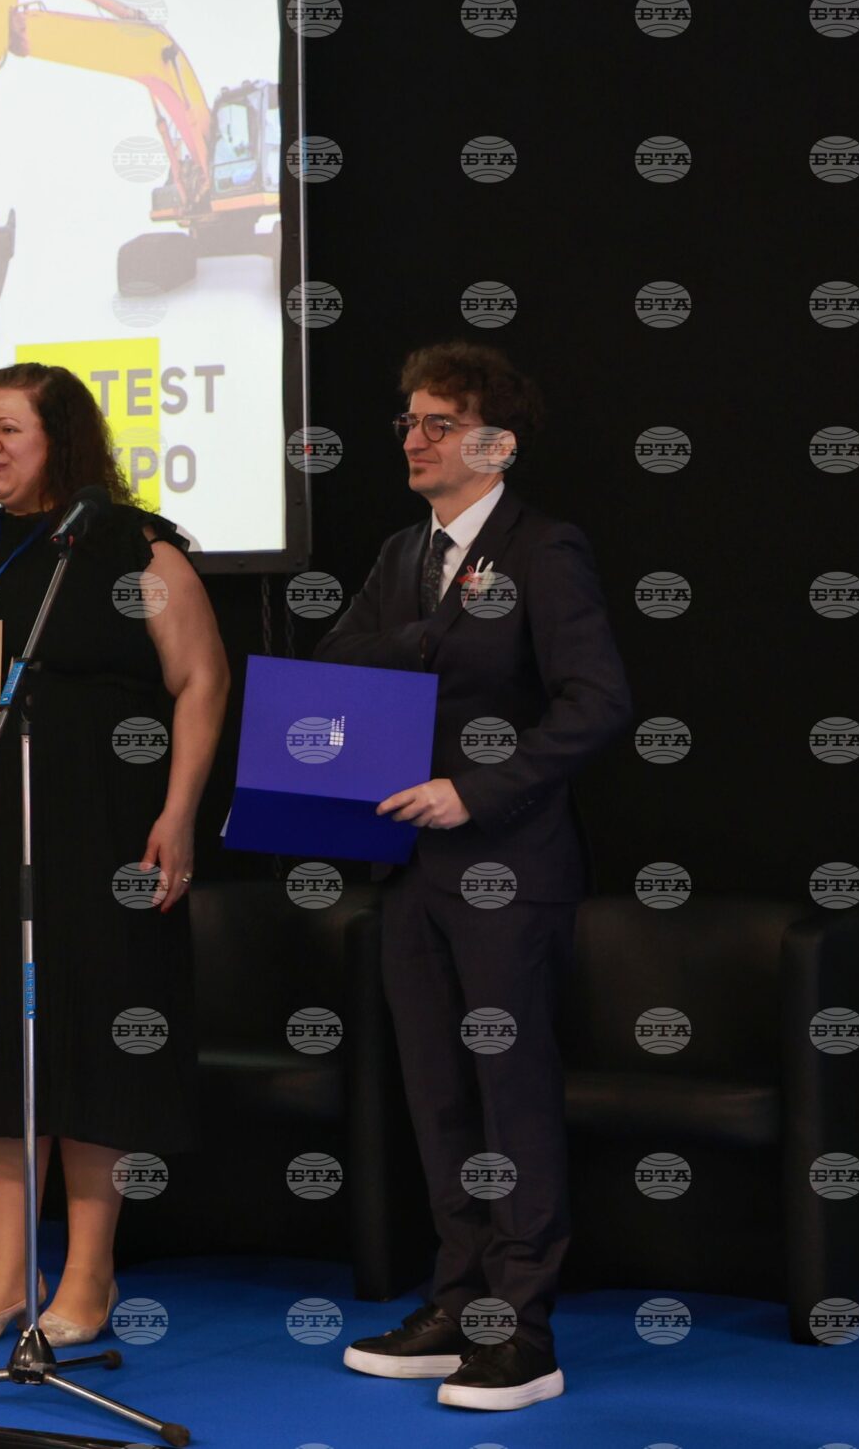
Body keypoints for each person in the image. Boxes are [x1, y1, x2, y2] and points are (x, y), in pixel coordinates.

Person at [0, 362, 227, 1348]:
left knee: (89, 1042)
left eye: (10, 430)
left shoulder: (132, 547)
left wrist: (179, 814)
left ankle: (88, 1274)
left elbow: (201, 679)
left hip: (95, 832)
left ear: (60, 441)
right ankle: (5, 1271)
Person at [321, 344, 629, 1413]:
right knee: (438, 1094)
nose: (414, 439)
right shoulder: (402, 552)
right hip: (409, 870)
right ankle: (456, 1304)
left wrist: (475, 790)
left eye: (439, 423)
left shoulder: (545, 549)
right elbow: (337, 664)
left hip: (507, 866)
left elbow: (597, 702)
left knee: (510, 1095)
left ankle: (521, 1330)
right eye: (408, 421)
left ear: (496, 443)